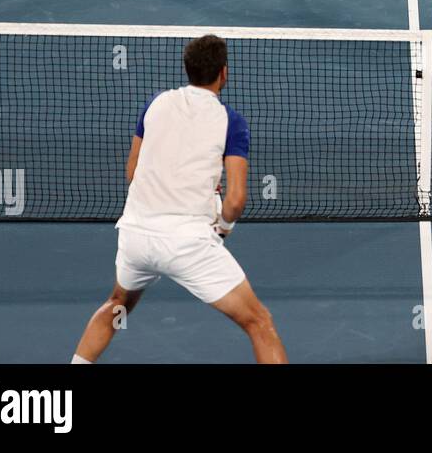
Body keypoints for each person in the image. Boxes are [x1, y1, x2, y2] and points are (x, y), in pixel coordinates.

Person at [72, 35, 287, 363]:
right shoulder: (231, 122)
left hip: (136, 237)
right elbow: (236, 199)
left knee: (118, 305)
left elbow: (133, 172)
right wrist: (223, 228)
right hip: (187, 244)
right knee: (259, 323)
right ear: (224, 73)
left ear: (187, 70)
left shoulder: (156, 104)